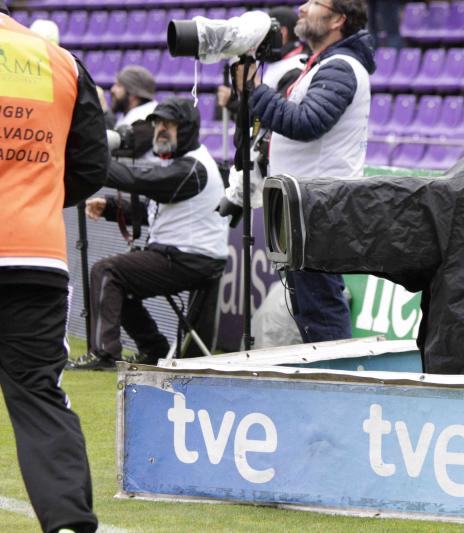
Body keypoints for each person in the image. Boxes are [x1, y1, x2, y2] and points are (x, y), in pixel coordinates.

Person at [0, 3, 108, 531]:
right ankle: (66, 522)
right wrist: (36, 197)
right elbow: (92, 165)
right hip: (34, 253)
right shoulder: (59, 59)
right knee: (39, 392)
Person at [247, 0, 375, 343]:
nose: (301, 9)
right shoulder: (324, 65)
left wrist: (255, 91)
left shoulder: (340, 67)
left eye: (314, 3)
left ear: (338, 20)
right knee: (309, 304)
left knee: (320, 304)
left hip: (321, 205)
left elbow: (307, 122)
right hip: (308, 202)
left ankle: (338, 387)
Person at [70, 97, 229, 370]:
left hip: (188, 260)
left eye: (170, 124)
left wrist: (91, 161)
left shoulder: (192, 168)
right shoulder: (184, 165)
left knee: (107, 272)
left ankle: (104, 355)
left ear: (188, 129)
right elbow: (156, 210)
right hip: (185, 256)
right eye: (158, 124)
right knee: (120, 283)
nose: (161, 130)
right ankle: (154, 350)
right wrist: (111, 207)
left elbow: (139, 181)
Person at [216, 6, 309, 117]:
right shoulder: (280, 63)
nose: (259, 40)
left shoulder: (295, 68)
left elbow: (279, 117)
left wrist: (233, 103)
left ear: (282, 33)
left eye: (264, 33)